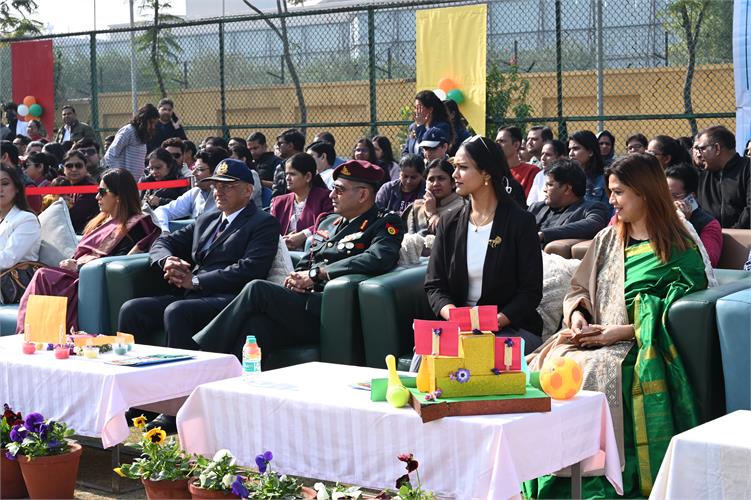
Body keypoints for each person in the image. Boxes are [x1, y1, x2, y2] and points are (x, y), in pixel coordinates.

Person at [524, 153, 712, 499]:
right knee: (547, 364)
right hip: (593, 335)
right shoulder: (608, 239)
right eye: (611, 191)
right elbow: (579, 288)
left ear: (645, 192)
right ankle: (550, 470)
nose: (611, 200)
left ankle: (600, 479)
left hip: (639, 342)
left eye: (619, 192)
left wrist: (619, 333)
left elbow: (668, 310)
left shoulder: (678, 248)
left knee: (594, 369)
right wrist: (578, 314)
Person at [192, 159, 403, 363]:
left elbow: (377, 257)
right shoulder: (329, 221)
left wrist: (317, 274)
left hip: (334, 309)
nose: (331, 195)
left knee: (257, 289)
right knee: (255, 327)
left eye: (339, 190)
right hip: (304, 304)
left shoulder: (384, 223)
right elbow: (309, 259)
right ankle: (230, 376)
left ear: (363, 194)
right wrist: (296, 277)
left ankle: (203, 353)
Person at [117, 159, 280, 352]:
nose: (218, 192)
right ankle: (135, 368)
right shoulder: (207, 219)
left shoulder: (263, 222)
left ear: (247, 191)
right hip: (193, 295)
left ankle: (187, 371)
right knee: (132, 310)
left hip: (231, 299)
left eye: (227, 186)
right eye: (216, 186)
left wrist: (196, 281)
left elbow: (250, 269)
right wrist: (167, 261)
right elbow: (163, 242)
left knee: (177, 311)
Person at [425, 135, 543, 353]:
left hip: (510, 327)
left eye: (462, 167)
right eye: (455, 167)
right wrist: (455, 317)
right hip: (458, 327)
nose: (454, 175)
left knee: (478, 355)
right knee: (425, 356)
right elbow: (435, 285)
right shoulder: (449, 223)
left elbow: (530, 292)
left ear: (486, 173)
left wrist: (493, 322)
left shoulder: (520, 223)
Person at [17, 169, 159, 331]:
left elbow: (122, 259)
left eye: (102, 192)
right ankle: (34, 334)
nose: (97, 197)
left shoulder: (135, 225)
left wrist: (79, 266)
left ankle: (33, 334)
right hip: (81, 275)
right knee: (44, 275)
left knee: (44, 276)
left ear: (119, 196)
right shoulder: (101, 221)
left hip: (97, 280)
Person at [528, 159, 609, 246]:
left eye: (550, 185)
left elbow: (594, 224)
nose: (544, 189)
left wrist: (544, 234)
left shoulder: (591, 208)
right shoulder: (536, 208)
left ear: (567, 189)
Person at [153, 146, 229, 232]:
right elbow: (162, 211)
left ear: (216, 172)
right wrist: (164, 231)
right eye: (193, 168)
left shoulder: (229, 197)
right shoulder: (195, 193)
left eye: (200, 169)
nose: (193, 173)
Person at [271, 153, 333, 250]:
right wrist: (282, 241)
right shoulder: (279, 201)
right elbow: (270, 230)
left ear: (308, 176)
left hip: (313, 252)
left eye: (292, 174)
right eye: (286, 174)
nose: (287, 178)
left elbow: (330, 223)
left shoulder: (326, 198)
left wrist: (304, 235)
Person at [666, 163, 723, 266]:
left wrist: (684, 225)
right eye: (664, 194)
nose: (667, 200)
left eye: (674, 195)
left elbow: (708, 262)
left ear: (690, 197)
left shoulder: (708, 224)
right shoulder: (657, 218)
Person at [694, 125, 751, 228]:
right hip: (710, 235)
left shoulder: (747, 169)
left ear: (717, 148)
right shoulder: (702, 176)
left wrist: (732, 233)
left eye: (702, 149)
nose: (698, 154)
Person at [0, 165, 41, 303]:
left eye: (5, 183)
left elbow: (8, 259)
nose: (0, 189)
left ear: (17, 188)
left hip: (13, 283)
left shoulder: (26, 219)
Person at [402, 158, 465, 236]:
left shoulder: (462, 208)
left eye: (441, 179)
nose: (435, 184)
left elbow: (451, 237)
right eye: (431, 179)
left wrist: (432, 214)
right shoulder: (417, 207)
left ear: (453, 183)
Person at [104, 104, 159, 181]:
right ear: (143, 119)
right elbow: (110, 155)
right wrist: (120, 177)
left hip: (137, 183)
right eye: (150, 122)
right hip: (123, 182)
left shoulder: (143, 135)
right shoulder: (128, 131)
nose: (153, 127)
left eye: (154, 124)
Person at [403, 90, 454, 157]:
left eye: (419, 107)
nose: (416, 111)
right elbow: (405, 152)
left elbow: (425, 148)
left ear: (430, 109)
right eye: (416, 108)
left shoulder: (441, 127)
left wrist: (420, 126)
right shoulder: (413, 127)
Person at [61, 150, 100, 234]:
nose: (74, 169)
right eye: (69, 166)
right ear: (64, 169)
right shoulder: (64, 185)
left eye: (78, 166)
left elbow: (75, 216)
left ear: (85, 167)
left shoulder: (90, 188)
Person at [495, 126, 540, 197]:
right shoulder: (492, 171)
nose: (497, 145)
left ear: (516, 145)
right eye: (496, 141)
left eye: (502, 141)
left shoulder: (531, 171)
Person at [569, 130, 609, 207]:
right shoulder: (567, 178)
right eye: (570, 149)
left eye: (576, 149)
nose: (571, 153)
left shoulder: (604, 180)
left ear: (590, 152)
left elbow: (608, 210)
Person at [527, 139, 567, 205]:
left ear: (561, 157)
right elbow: (531, 203)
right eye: (542, 154)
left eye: (548, 155)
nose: (543, 158)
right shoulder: (540, 175)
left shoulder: (568, 176)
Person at [271, 129, 305, 197]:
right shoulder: (281, 167)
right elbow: (276, 195)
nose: (277, 146)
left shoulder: (308, 165)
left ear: (290, 145)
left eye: (280, 143)